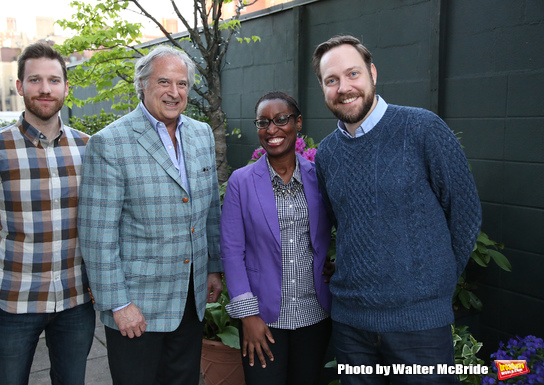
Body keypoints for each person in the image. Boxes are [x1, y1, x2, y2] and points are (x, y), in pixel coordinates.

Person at [312, 35, 482, 385]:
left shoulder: (422, 128)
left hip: (419, 325)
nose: (344, 87)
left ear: (372, 73)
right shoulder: (327, 154)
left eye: (353, 74)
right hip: (351, 327)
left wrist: (435, 285)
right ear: (323, 88)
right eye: (332, 80)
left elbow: (465, 213)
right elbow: (343, 224)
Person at [77, 45, 223, 385]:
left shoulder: (201, 134)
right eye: (164, 82)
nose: (174, 93)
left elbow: (209, 209)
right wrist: (118, 303)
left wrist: (213, 267)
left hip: (190, 299)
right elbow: (98, 234)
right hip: (136, 309)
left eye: (182, 84)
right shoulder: (109, 143)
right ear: (142, 85)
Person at [0, 42, 95, 385]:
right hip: (13, 299)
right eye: (35, 80)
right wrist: (7, 260)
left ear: (66, 87)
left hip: (76, 300)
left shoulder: (89, 148)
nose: (45, 89)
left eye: (54, 80)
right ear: (19, 86)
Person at [221, 91, 333, 385]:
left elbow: (342, 224)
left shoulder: (319, 175)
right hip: (264, 318)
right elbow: (232, 252)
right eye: (263, 122)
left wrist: (337, 263)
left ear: (297, 123)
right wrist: (248, 317)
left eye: (281, 120)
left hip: (315, 314)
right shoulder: (241, 182)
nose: (272, 130)